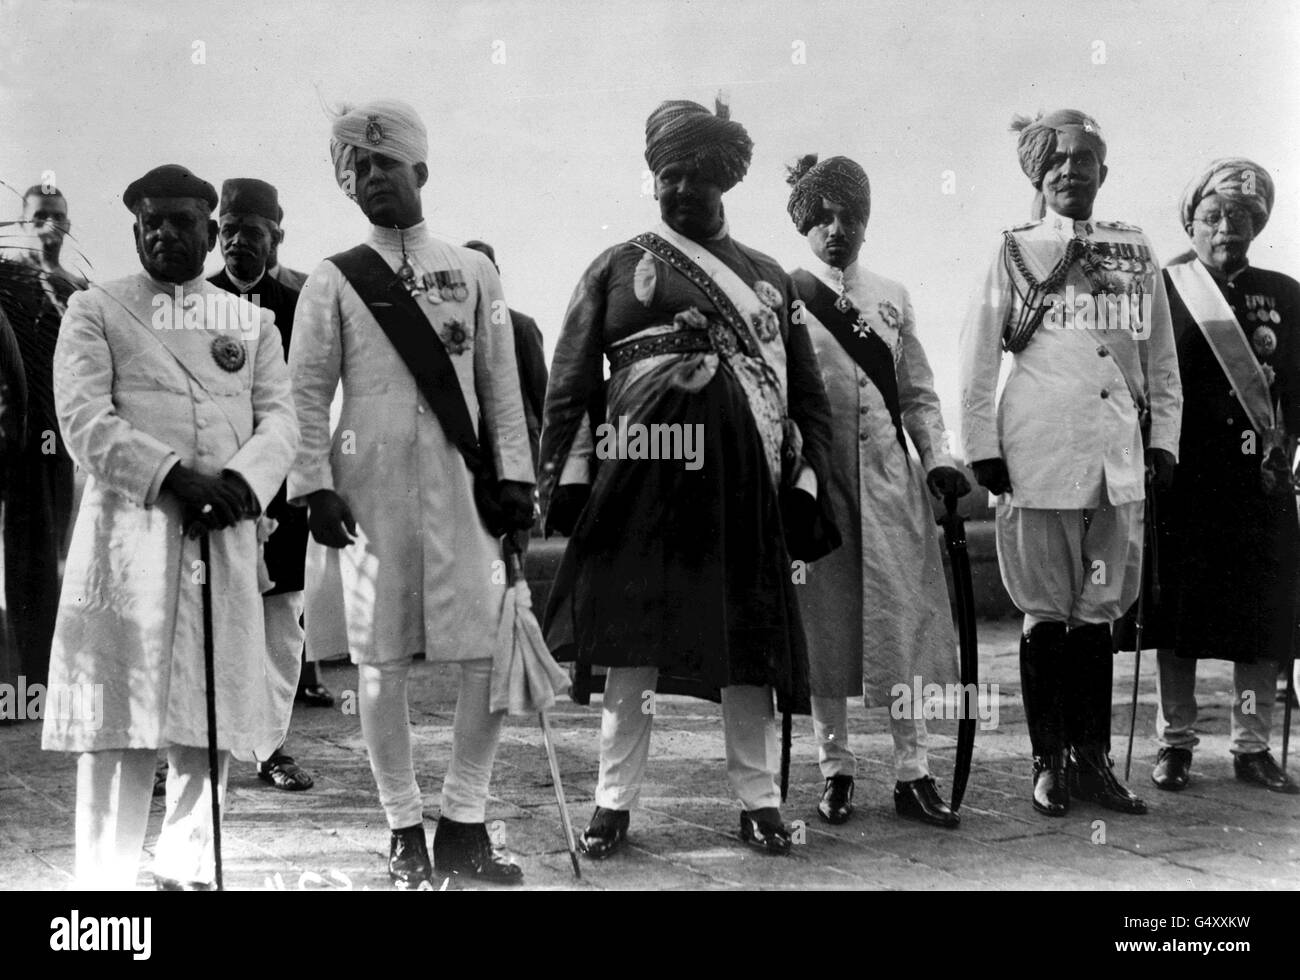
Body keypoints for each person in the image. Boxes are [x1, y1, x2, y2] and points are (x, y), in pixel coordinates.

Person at [541, 97, 839, 859]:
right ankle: (612, 803)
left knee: (748, 644)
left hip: (742, 489)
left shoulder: (772, 279)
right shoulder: (613, 265)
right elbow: (571, 384)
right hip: (638, 482)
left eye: (695, 178)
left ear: (723, 183)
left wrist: (807, 487)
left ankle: (760, 801)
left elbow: (806, 398)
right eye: (667, 176)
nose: (679, 191)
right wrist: (569, 483)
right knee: (630, 644)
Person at [288, 99, 535, 888]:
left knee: (487, 653)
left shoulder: (474, 269)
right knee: (379, 662)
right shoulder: (333, 278)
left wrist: (517, 484)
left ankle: (465, 820)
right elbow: (303, 394)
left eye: (384, 163)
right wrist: (314, 486)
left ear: (421, 170)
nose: (370, 178)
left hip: (466, 488)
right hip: (369, 489)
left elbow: (500, 391)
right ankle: (402, 826)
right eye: (356, 168)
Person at [41, 164, 298, 888]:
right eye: (150, 220)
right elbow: (83, 420)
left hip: (222, 537)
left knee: (204, 717)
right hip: (128, 541)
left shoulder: (252, 323)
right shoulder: (97, 309)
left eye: (182, 220)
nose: (164, 232)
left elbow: (282, 419)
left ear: (209, 228)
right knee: (117, 722)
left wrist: (242, 485)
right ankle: (104, 886)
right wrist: (174, 477)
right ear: (135, 229)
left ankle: (188, 870)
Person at [958, 110, 1182, 818]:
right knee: (1045, 613)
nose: (1070, 170)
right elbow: (977, 354)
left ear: (1103, 173)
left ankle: (1093, 763)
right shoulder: (1014, 250)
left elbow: (1161, 360)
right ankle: (1047, 762)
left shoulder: (1134, 248)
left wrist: (1164, 443)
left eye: (1084, 159)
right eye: (1056, 160)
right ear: (1038, 174)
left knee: (1097, 616)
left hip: (1116, 462)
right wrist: (982, 449)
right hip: (1038, 455)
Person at [785, 154, 969, 829]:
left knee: (901, 623)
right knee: (824, 625)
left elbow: (918, 393)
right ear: (805, 222)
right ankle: (835, 769)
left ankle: (912, 772)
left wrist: (938, 457)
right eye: (824, 217)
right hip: (821, 482)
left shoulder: (892, 294)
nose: (838, 229)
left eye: (851, 217)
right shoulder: (788, 293)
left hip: (891, 480)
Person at [1116, 159, 1298, 794]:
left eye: (1242, 217)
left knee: (1257, 621)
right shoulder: (1162, 289)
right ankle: (1176, 743)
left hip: (1257, 481)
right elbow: (1141, 384)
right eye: (1214, 217)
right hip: (1184, 480)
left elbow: (1296, 390)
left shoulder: (1285, 293)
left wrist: (1286, 451)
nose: (1228, 228)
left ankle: (1251, 748)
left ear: (1258, 224)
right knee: (1179, 621)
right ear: (1191, 222)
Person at [208, 177, 317, 792]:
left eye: (252, 232)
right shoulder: (192, 301)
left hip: (281, 483)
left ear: (278, 233)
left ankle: (272, 748)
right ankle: (201, 747)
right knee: (209, 615)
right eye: (227, 230)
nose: (237, 243)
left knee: (281, 621)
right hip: (216, 486)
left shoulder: (303, 304)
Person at [0, 185, 86, 687]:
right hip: (18, 431)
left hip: (63, 433)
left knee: (55, 551)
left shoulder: (76, 287)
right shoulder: (7, 278)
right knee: (21, 553)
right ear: (22, 222)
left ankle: (45, 670)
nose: (48, 225)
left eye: (57, 216)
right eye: (38, 217)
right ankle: (24, 675)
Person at [463, 239, 548, 470]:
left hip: (517, 441)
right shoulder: (458, 332)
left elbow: (541, 393)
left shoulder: (522, 327)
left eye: (485, 269)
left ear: (497, 272)